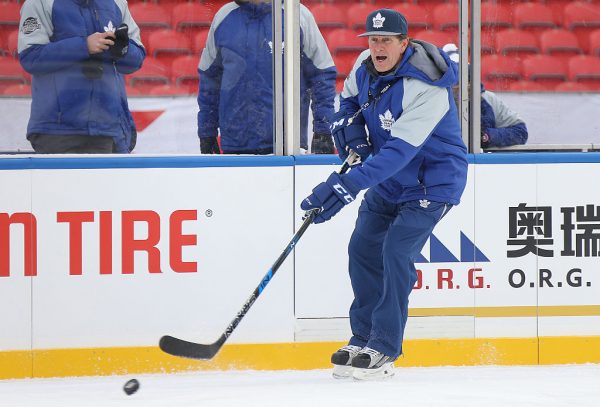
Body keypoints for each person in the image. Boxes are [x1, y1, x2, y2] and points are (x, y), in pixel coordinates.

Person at [300, 9, 468, 380]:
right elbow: (347, 104)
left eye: (386, 41)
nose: (377, 47)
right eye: (373, 40)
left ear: (404, 43)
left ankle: (385, 345)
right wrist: (352, 129)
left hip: (432, 183)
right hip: (389, 182)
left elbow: (396, 153)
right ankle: (362, 336)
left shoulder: (427, 87)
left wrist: (345, 185)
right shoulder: (363, 64)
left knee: (395, 251)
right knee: (361, 248)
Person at [197, 0, 337, 155]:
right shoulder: (223, 17)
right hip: (235, 148)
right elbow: (209, 81)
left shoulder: (297, 14)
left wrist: (323, 131)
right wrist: (207, 132)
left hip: (288, 147)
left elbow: (322, 76)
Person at [18, 0, 145, 154]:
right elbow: (31, 58)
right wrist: (83, 46)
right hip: (58, 130)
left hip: (107, 128)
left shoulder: (117, 3)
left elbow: (136, 59)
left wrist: (122, 50)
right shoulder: (40, 3)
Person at [442, 43, 528, 149]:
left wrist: (486, 136)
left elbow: (520, 132)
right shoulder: (434, 101)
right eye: (456, 83)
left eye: (467, 81)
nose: (461, 88)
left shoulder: (488, 99)